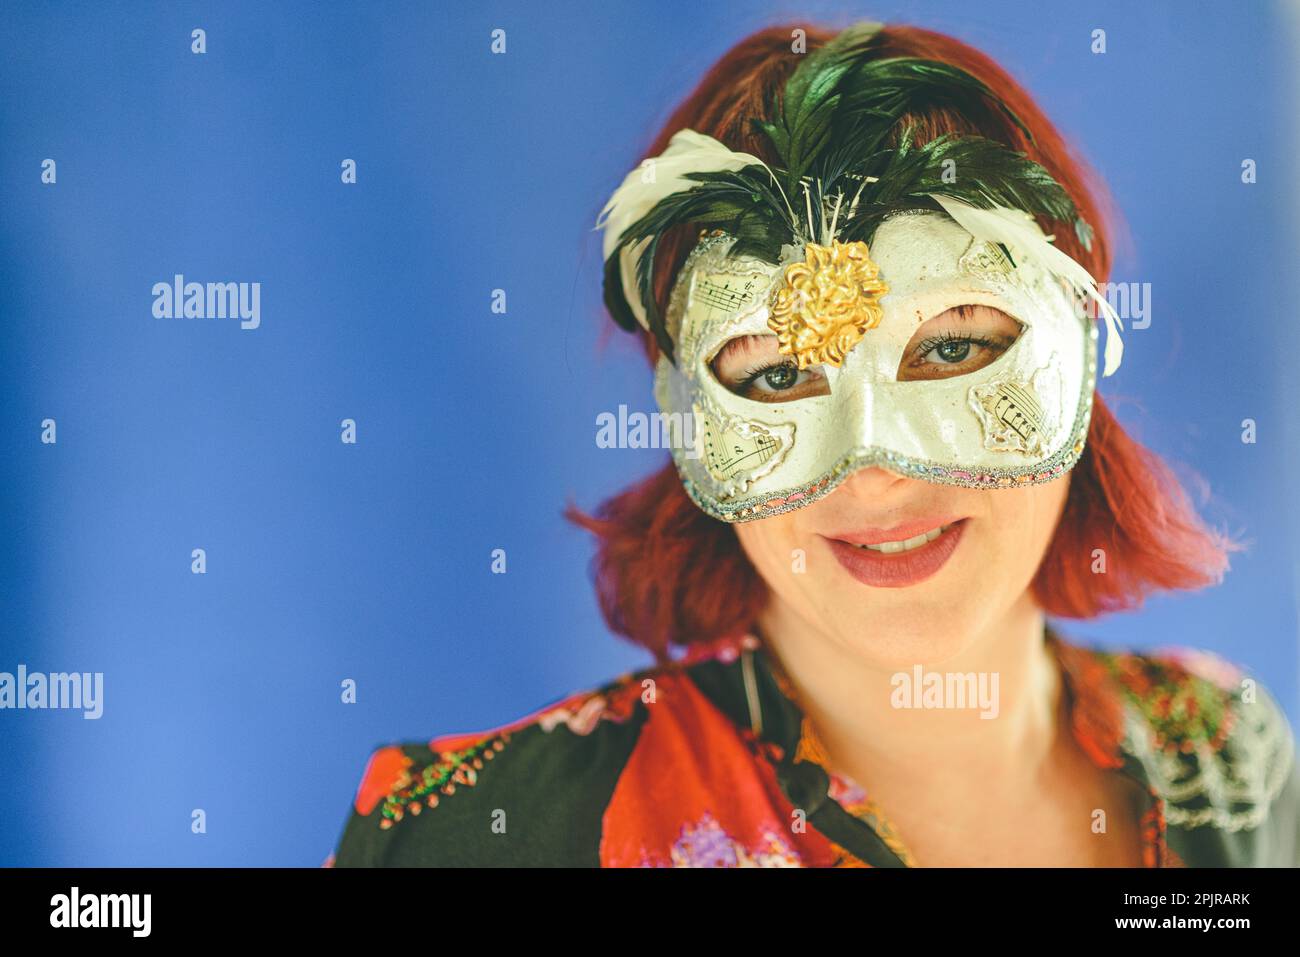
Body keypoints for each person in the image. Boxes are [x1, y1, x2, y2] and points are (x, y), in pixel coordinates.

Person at [326, 20, 1298, 867]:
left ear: (1081, 349)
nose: (872, 466)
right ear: (682, 410)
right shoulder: (479, 839)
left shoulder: (1225, 755)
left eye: (952, 346)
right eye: (777, 375)